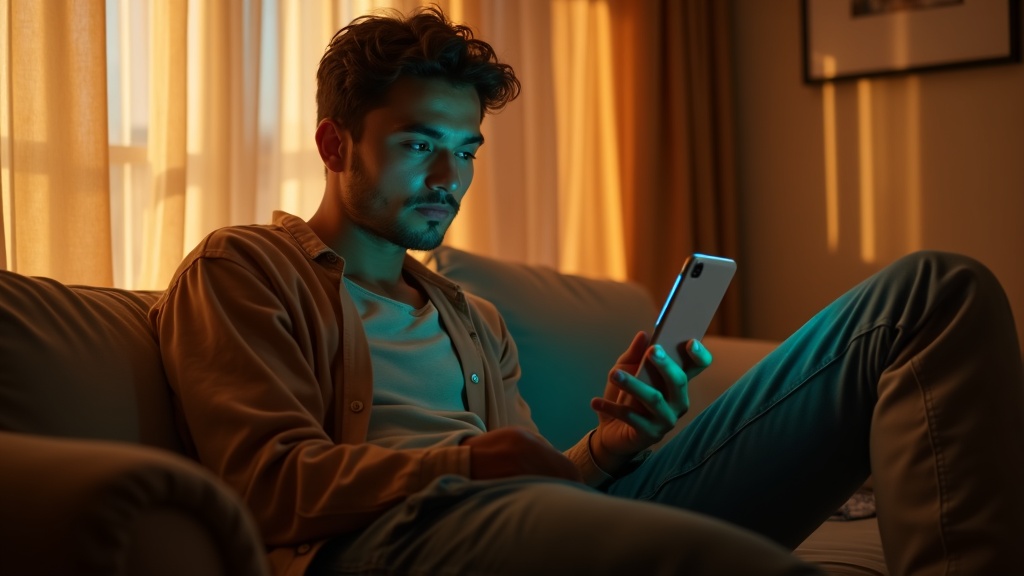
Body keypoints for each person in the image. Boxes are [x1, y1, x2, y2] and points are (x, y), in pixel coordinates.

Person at [149, 6, 1024, 576]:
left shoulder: (471, 317)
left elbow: (548, 487)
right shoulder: (244, 269)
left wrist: (605, 448)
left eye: (467, 150)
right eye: (419, 145)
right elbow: (264, 484)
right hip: (388, 543)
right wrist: (469, 463)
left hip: (512, 519)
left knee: (933, 293)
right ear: (335, 144)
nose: (451, 178)